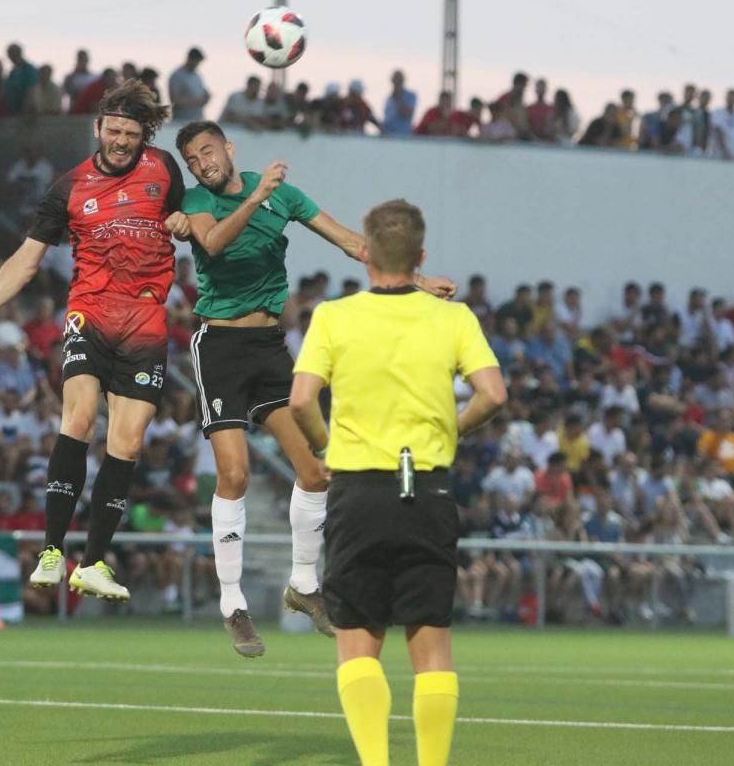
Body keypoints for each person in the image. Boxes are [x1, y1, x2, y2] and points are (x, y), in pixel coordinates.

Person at [165, 121, 457, 656]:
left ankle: (303, 585)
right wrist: (256, 196)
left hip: (269, 347)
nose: (201, 162)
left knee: (315, 471)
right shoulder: (199, 200)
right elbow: (212, 242)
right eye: (191, 158)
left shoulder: (284, 196)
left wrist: (417, 280)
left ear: (229, 147)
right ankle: (232, 604)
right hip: (220, 346)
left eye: (207, 150)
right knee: (235, 472)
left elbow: (350, 241)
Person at [0, 81, 182, 603]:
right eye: (113, 130)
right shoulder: (69, 187)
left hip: (145, 322)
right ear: (97, 128)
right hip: (90, 314)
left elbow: (196, 219)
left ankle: (93, 563)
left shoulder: (164, 169)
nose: (120, 141)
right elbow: (25, 261)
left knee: (129, 441)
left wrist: (193, 225)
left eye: (131, 134)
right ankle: (53, 550)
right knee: (78, 417)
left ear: (145, 136)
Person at [288, 198, 506, 766]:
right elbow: (494, 395)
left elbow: (302, 400)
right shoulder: (454, 317)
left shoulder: (334, 317)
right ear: (421, 257)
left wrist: (326, 447)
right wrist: (448, 429)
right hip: (426, 488)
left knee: (357, 642)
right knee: (431, 645)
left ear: (366, 255)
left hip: (358, 490)